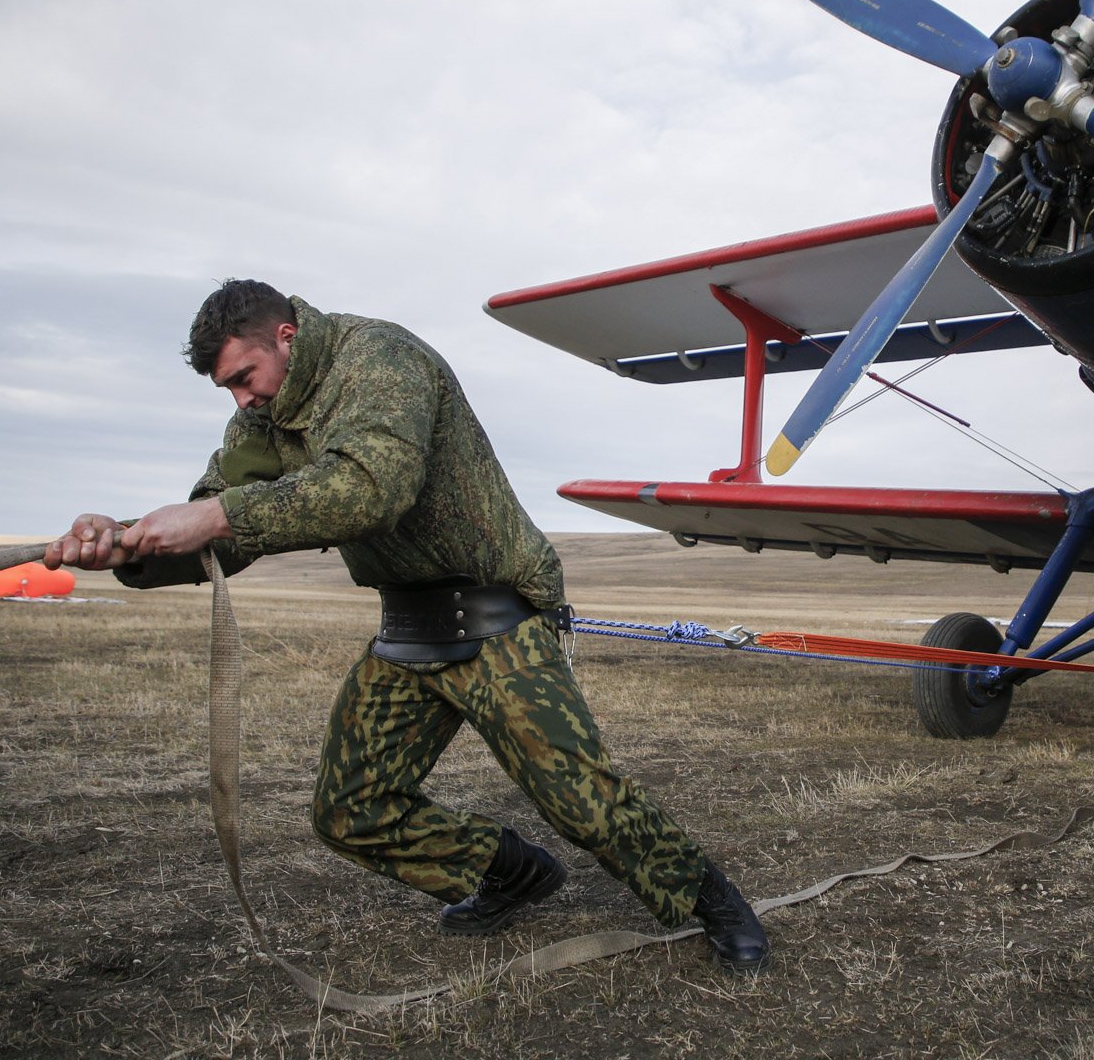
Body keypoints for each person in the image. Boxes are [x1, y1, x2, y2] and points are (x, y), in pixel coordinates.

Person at [44, 279, 768, 973]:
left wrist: (218, 513)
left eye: (245, 374)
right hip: (409, 628)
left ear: (285, 336)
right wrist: (126, 545)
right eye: (229, 388)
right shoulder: (261, 421)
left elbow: (370, 488)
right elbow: (219, 523)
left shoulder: (382, 361)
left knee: (583, 802)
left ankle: (715, 903)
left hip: (497, 616)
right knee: (349, 809)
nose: (242, 397)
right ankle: (511, 873)